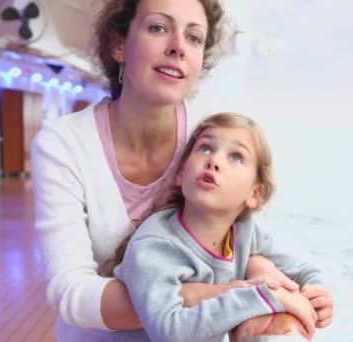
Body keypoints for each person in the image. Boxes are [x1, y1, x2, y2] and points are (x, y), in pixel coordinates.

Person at [31, 0, 300, 340]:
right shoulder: (64, 144)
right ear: (119, 44)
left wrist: (259, 266)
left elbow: (241, 232)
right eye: (158, 28)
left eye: (194, 38)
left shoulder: (210, 129)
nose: (177, 47)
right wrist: (213, 295)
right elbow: (71, 293)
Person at [106, 113, 334, 341]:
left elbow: (303, 271)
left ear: (255, 194)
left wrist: (316, 293)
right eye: (205, 148)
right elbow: (170, 332)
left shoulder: (245, 230)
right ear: (181, 172)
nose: (214, 160)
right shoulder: (156, 245)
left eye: (236, 156)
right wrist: (261, 297)